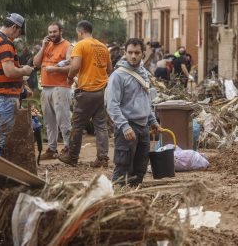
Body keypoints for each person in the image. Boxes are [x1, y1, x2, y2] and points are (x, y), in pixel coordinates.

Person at [107, 38, 161, 186]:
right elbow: (112, 106)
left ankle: (134, 198)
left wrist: (153, 122)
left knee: (140, 168)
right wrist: (124, 126)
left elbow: (146, 101)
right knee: (123, 167)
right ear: (125, 53)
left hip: (143, 128)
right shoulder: (118, 76)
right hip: (128, 127)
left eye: (137, 53)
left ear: (143, 54)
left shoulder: (143, 73)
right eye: (130, 52)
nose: (133, 56)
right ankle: (117, 199)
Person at [59, 20, 112, 167]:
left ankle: (72, 156)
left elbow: (75, 66)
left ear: (80, 32)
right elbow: (109, 69)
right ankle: (102, 158)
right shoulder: (103, 47)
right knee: (101, 125)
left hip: (86, 92)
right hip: (101, 92)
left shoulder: (81, 45)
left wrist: (70, 78)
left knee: (77, 124)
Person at [0, 13, 33, 156]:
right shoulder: (5, 43)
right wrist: (24, 70)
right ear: (14, 27)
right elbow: (10, 72)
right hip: (5, 96)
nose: (17, 36)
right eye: (19, 33)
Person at [33, 22, 74, 160]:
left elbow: (72, 66)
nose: (52, 35)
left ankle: (69, 148)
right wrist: (43, 46)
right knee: (49, 121)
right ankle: (51, 148)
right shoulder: (47, 45)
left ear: (60, 31)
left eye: (54, 32)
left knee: (63, 119)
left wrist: (55, 69)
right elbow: (36, 63)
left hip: (61, 87)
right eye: (50, 32)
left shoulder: (68, 46)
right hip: (46, 87)